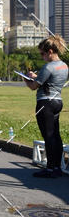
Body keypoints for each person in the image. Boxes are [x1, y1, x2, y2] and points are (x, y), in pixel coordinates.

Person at [22, 34, 68, 178]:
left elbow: (33, 86)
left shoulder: (48, 67)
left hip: (45, 103)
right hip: (57, 101)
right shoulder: (64, 66)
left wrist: (26, 78)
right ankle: (57, 168)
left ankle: (50, 169)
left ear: (50, 52)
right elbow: (51, 81)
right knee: (56, 135)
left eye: (42, 54)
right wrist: (37, 77)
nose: (42, 57)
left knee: (48, 136)